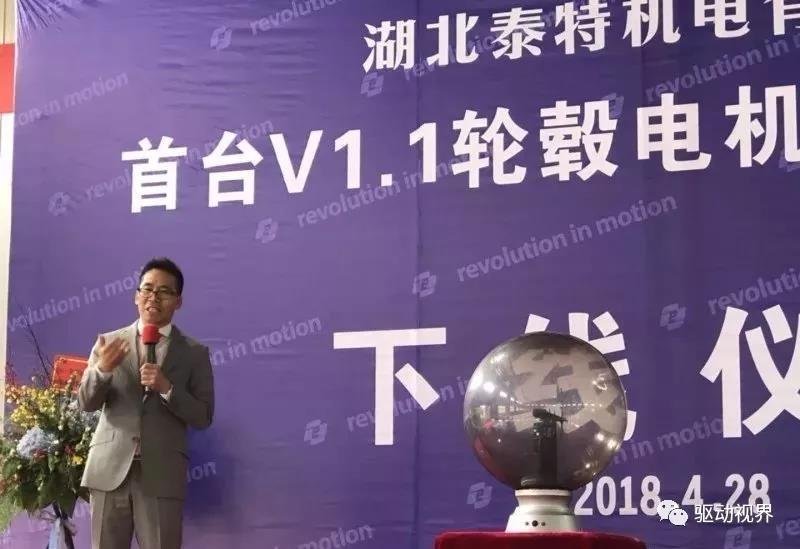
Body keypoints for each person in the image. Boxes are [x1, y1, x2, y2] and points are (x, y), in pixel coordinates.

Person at [77, 257, 215, 549]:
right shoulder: (108, 343)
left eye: (164, 291)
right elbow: (86, 403)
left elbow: (203, 416)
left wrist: (167, 389)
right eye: (148, 289)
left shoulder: (194, 353)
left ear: (178, 301)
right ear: (136, 296)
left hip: (162, 475)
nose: (154, 297)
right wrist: (101, 371)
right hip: (109, 470)